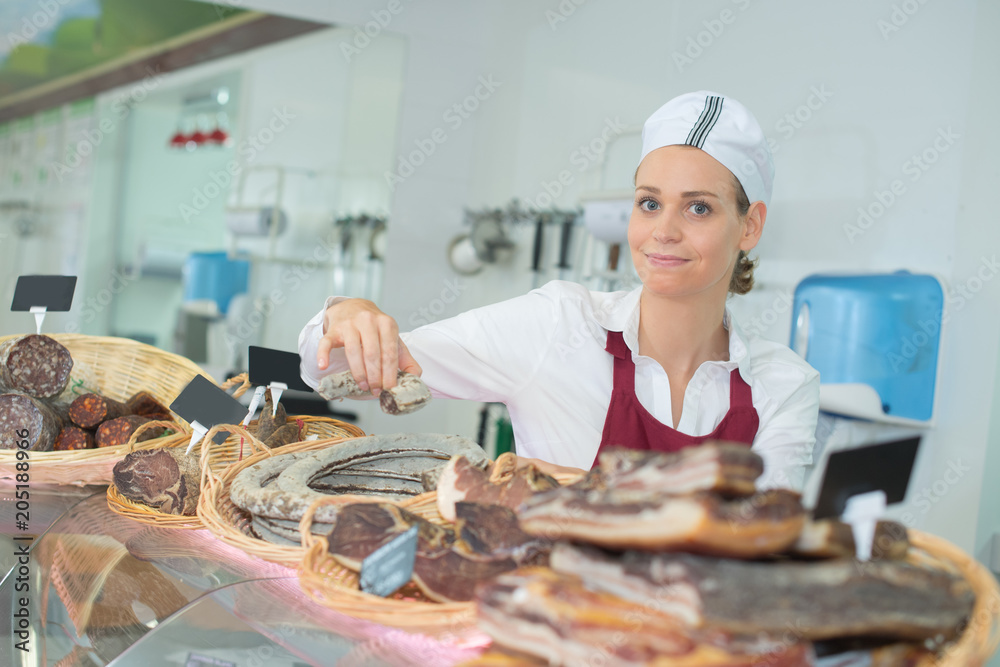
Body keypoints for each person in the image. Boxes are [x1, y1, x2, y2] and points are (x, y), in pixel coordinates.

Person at [298, 91, 820, 490]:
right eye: (649, 202)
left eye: (699, 207)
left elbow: (760, 539)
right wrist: (350, 312)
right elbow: (335, 368)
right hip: (542, 619)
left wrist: (568, 483)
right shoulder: (560, 325)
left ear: (750, 226)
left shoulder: (783, 386)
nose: (664, 230)